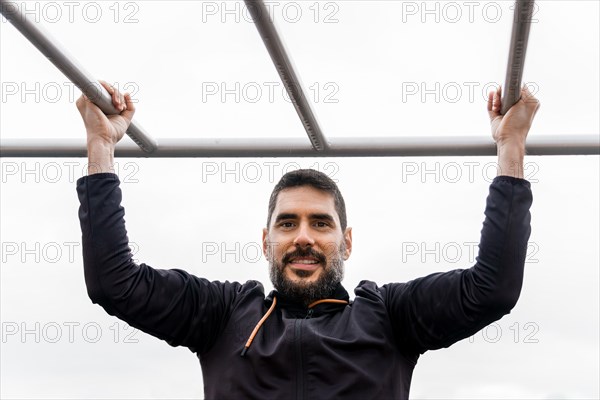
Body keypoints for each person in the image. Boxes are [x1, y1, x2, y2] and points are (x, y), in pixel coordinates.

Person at [75, 82, 540, 399]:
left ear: (347, 241)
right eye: (287, 223)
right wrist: (101, 145)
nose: (302, 237)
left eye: (320, 224)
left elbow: (492, 288)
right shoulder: (221, 314)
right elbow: (115, 284)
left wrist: (511, 145)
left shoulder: (390, 318)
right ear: (265, 240)